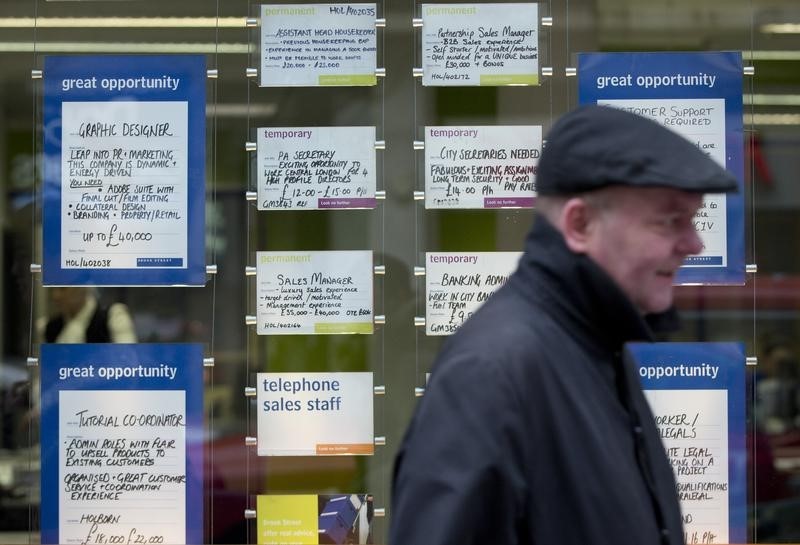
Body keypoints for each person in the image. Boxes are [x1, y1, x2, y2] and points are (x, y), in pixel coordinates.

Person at [389, 105, 739, 545]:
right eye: (671, 221)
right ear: (580, 223)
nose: (693, 243)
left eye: (693, 219)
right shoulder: (493, 373)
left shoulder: (597, 345)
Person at [39, 287, 137, 343]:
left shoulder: (114, 316)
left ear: (83, 287)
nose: (56, 296)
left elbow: (127, 366)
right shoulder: (50, 327)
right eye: (53, 288)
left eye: (63, 288)